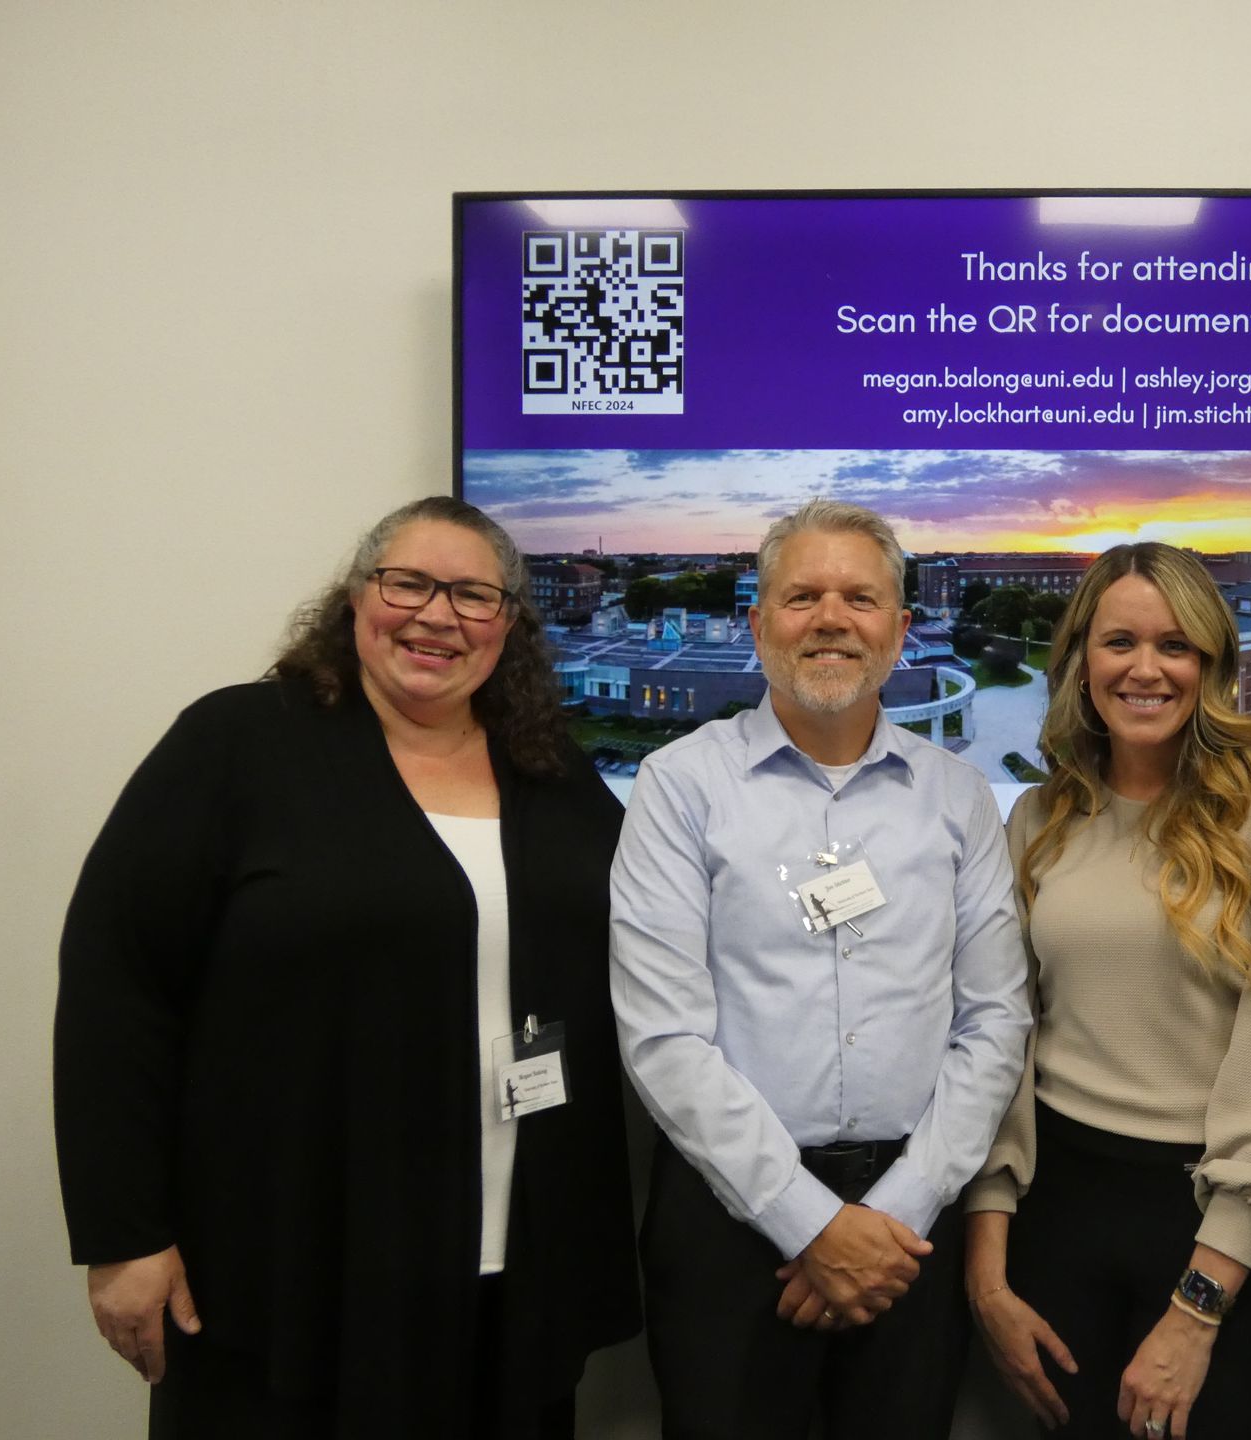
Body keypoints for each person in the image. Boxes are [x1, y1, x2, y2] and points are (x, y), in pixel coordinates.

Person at [54, 496, 641, 1438]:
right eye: (408, 584)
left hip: (511, 1272)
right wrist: (125, 1237)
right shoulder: (237, 744)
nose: (437, 615)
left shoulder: (551, 770)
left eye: (473, 596)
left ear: (509, 627)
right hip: (290, 1265)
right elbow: (116, 987)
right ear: (357, 598)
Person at [609, 498, 1031, 1440]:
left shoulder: (959, 798)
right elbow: (664, 1036)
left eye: (860, 598)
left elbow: (996, 1019)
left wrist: (895, 1215)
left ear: (900, 628)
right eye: (802, 597)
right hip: (729, 1225)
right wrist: (809, 1223)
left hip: (913, 1224)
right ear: (758, 622)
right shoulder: (680, 787)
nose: (831, 619)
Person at [965, 542, 1251, 1440]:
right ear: (1080, 662)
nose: (1146, 669)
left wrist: (1197, 1309)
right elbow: (1003, 1039)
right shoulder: (1040, 819)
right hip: (1057, 1211)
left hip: (1220, 1230)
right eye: (1120, 643)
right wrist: (987, 1273)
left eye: (1175, 645)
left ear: (1210, 666)